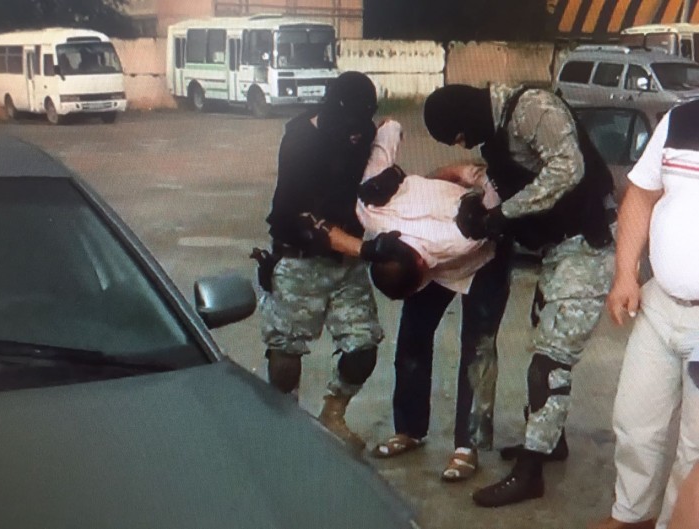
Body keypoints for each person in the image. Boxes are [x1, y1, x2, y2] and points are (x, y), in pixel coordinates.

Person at [423, 83, 616, 506]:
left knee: (550, 361)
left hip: (587, 245)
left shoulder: (532, 109)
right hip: (558, 250)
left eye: (458, 135)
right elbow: (509, 181)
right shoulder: (498, 132)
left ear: (466, 115)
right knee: (543, 343)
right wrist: (479, 206)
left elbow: (567, 169)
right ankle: (550, 442)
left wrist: (502, 215)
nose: (462, 144)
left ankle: (530, 474)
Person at [329, 118, 512, 482]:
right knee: (412, 338)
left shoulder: (462, 236)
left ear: (422, 266)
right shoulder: (371, 210)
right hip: (424, 251)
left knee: (477, 349)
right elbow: (388, 130)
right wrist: (380, 128)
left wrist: (466, 174)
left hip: (484, 260)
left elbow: (495, 203)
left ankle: (467, 447)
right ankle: (409, 429)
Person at [257, 71, 402, 453]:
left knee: (363, 347)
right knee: (286, 351)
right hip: (300, 258)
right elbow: (300, 215)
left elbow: (386, 132)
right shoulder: (301, 140)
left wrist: (386, 177)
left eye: (363, 121)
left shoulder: (362, 130)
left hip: (345, 264)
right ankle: (282, 426)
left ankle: (333, 415)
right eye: (350, 122)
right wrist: (366, 250)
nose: (356, 132)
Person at [589, 100, 699, 529]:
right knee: (634, 422)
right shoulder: (682, 118)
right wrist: (625, 274)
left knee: (695, 447)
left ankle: (674, 523)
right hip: (660, 304)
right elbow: (641, 195)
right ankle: (632, 516)